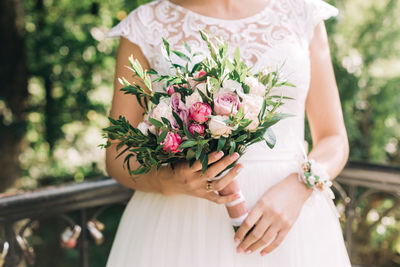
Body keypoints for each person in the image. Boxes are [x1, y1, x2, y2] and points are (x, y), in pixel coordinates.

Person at [104, 0, 352, 266]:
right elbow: (118, 153)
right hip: (181, 227)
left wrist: (301, 185)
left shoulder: (302, 12)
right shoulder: (146, 24)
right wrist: (168, 180)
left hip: (293, 224)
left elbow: (333, 138)